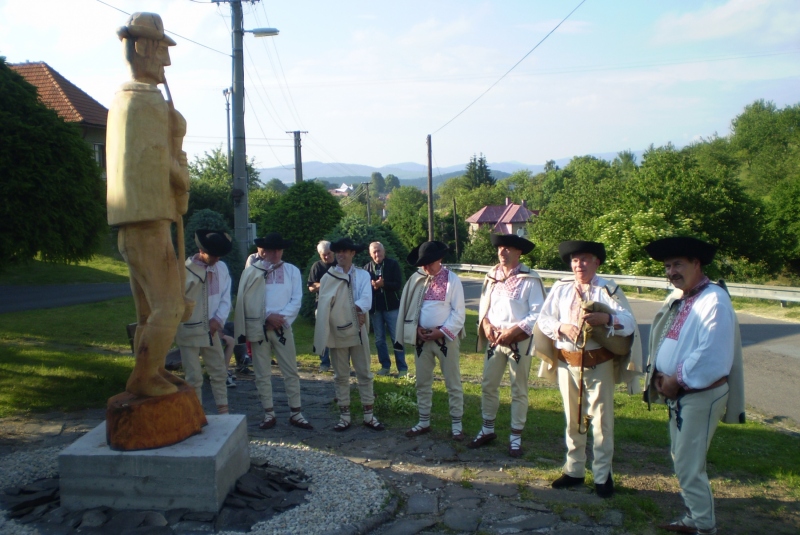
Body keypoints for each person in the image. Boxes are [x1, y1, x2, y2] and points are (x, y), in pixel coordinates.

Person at [106, 12, 190, 398]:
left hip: (137, 222)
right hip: (148, 222)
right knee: (170, 307)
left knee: (147, 311)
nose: (166, 62)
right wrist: (181, 175)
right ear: (141, 47)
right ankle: (143, 377)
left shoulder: (122, 102)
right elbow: (156, 162)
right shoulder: (146, 103)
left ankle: (151, 368)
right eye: (160, 50)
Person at [643, 237, 745, 535]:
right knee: (681, 457)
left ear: (697, 264)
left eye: (678, 264)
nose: (671, 271)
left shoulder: (714, 300)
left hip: (701, 393)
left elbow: (712, 354)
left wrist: (676, 380)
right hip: (681, 392)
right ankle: (695, 517)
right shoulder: (683, 297)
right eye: (667, 266)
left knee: (688, 463)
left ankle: (704, 525)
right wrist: (660, 375)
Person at [536, 240, 640, 498]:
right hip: (566, 362)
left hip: (598, 363)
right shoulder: (561, 288)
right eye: (574, 260)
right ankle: (574, 470)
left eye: (584, 259)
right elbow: (544, 319)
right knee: (573, 418)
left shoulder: (608, 289)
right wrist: (562, 327)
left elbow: (629, 323)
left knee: (601, 421)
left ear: (597, 262)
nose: (578, 265)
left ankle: (603, 476)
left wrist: (607, 318)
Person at [469, 234, 545, 457]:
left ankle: (515, 438)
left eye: (508, 248)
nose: (502, 252)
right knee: (488, 384)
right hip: (495, 340)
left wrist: (514, 331)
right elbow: (485, 306)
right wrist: (486, 324)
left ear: (519, 252)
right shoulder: (492, 276)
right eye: (500, 248)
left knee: (518, 389)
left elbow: (538, 312)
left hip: (518, 342)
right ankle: (487, 429)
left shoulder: (530, 279)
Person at [234, 232, 312, 430]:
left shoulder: (292, 271)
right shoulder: (251, 272)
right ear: (264, 251)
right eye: (272, 250)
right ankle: (269, 413)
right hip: (258, 328)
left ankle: (296, 412)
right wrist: (266, 316)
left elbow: (296, 299)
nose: (276, 253)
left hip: (283, 328)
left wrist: (280, 319)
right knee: (262, 372)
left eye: (279, 249)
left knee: (291, 371)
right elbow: (246, 301)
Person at [395, 241, 466, 440]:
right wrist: (414, 329)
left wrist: (441, 331)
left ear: (439, 260)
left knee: (452, 382)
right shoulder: (417, 280)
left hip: (445, 340)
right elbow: (409, 308)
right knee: (423, 382)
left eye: (429, 263)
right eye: (423, 264)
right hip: (421, 339)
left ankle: (456, 425)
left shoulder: (453, 280)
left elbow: (459, 313)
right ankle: (423, 421)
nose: (426, 268)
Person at [313, 237, 385, 432]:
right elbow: (326, 305)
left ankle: (369, 415)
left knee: (364, 372)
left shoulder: (362, 275)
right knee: (341, 375)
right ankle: (344, 416)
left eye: (345, 251)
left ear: (353, 253)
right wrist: (351, 314)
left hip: (358, 328)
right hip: (337, 330)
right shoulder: (329, 277)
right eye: (338, 252)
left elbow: (366, 299)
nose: (341, 255)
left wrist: (355, 313)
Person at [175, 230, 233, 414]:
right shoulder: (184, 271)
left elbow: (226, 296)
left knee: (218, 370)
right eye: (213, 255)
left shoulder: (221, 268)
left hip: (212, 328)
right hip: (189, 328)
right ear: (201, 250)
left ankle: (223, 411)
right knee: (193, 376)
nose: (216, 259)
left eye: (219, 255)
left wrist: (218, 319)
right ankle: (196, 414)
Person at [364, 242, 407, 377]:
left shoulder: (393, 264)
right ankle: (385, 366)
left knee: (396, 338)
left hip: (392, 307)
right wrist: (373, 286)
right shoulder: (367, 268)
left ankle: (402, 368)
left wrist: (384, 284)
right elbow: (363, 289)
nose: (377, 254)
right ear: (371, 254)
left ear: (384, 251)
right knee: (379, 339)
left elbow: (398, 284)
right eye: (374, 252)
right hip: (376, 309)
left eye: (379, 251)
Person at [308, 240, 336, 372]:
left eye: (329, 253)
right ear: (320, 254)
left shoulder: (339, 265)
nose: (326, 257)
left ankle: (341, 362)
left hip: (339, 303)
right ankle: (324, 362)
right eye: (323, 254)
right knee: (322, 332)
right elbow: (311, 287)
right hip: (321, 303)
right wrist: (325, 284)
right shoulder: (317, 266)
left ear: (333, 252)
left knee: (338, 332)